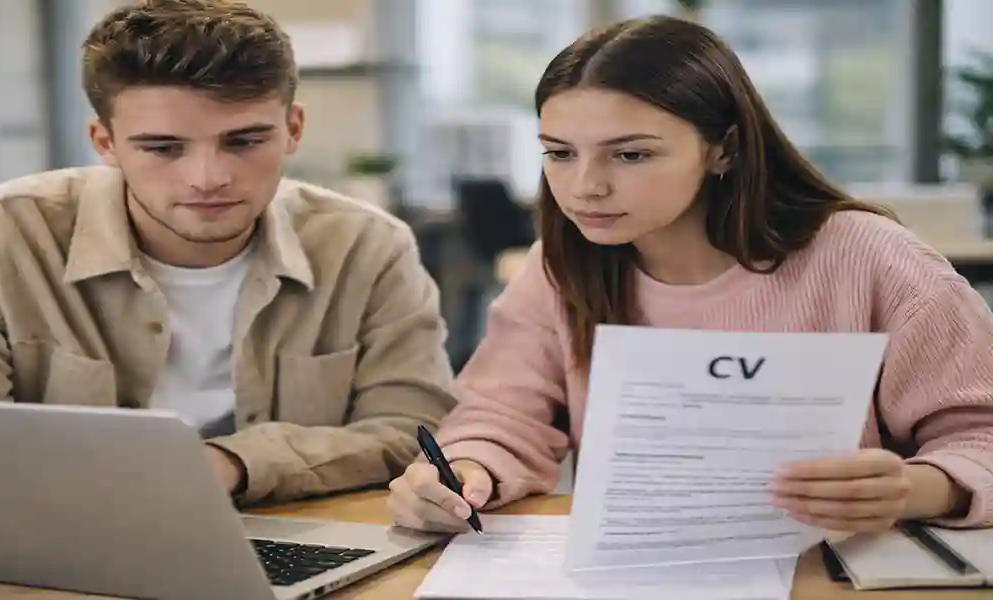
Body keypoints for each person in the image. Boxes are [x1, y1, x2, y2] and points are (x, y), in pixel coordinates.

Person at [388, 15, 993, 533]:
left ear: (723, 149)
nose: (584, 186)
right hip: (640, 572)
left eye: (631, 154)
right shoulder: (561, 266)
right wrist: (466, 471)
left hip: (841, 571)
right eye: (559, 153)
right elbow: (500, 417)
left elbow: (980, 437)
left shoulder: (868, 258)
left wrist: (918, 487)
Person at [0, 0, 456, 506]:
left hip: (292, 529)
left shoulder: (366, 245)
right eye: (163, 148)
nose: (208, 177)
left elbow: (414, 429)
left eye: (244, 140)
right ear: (104, 142)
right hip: (46, 545)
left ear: (293, 128)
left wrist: (233, 464)